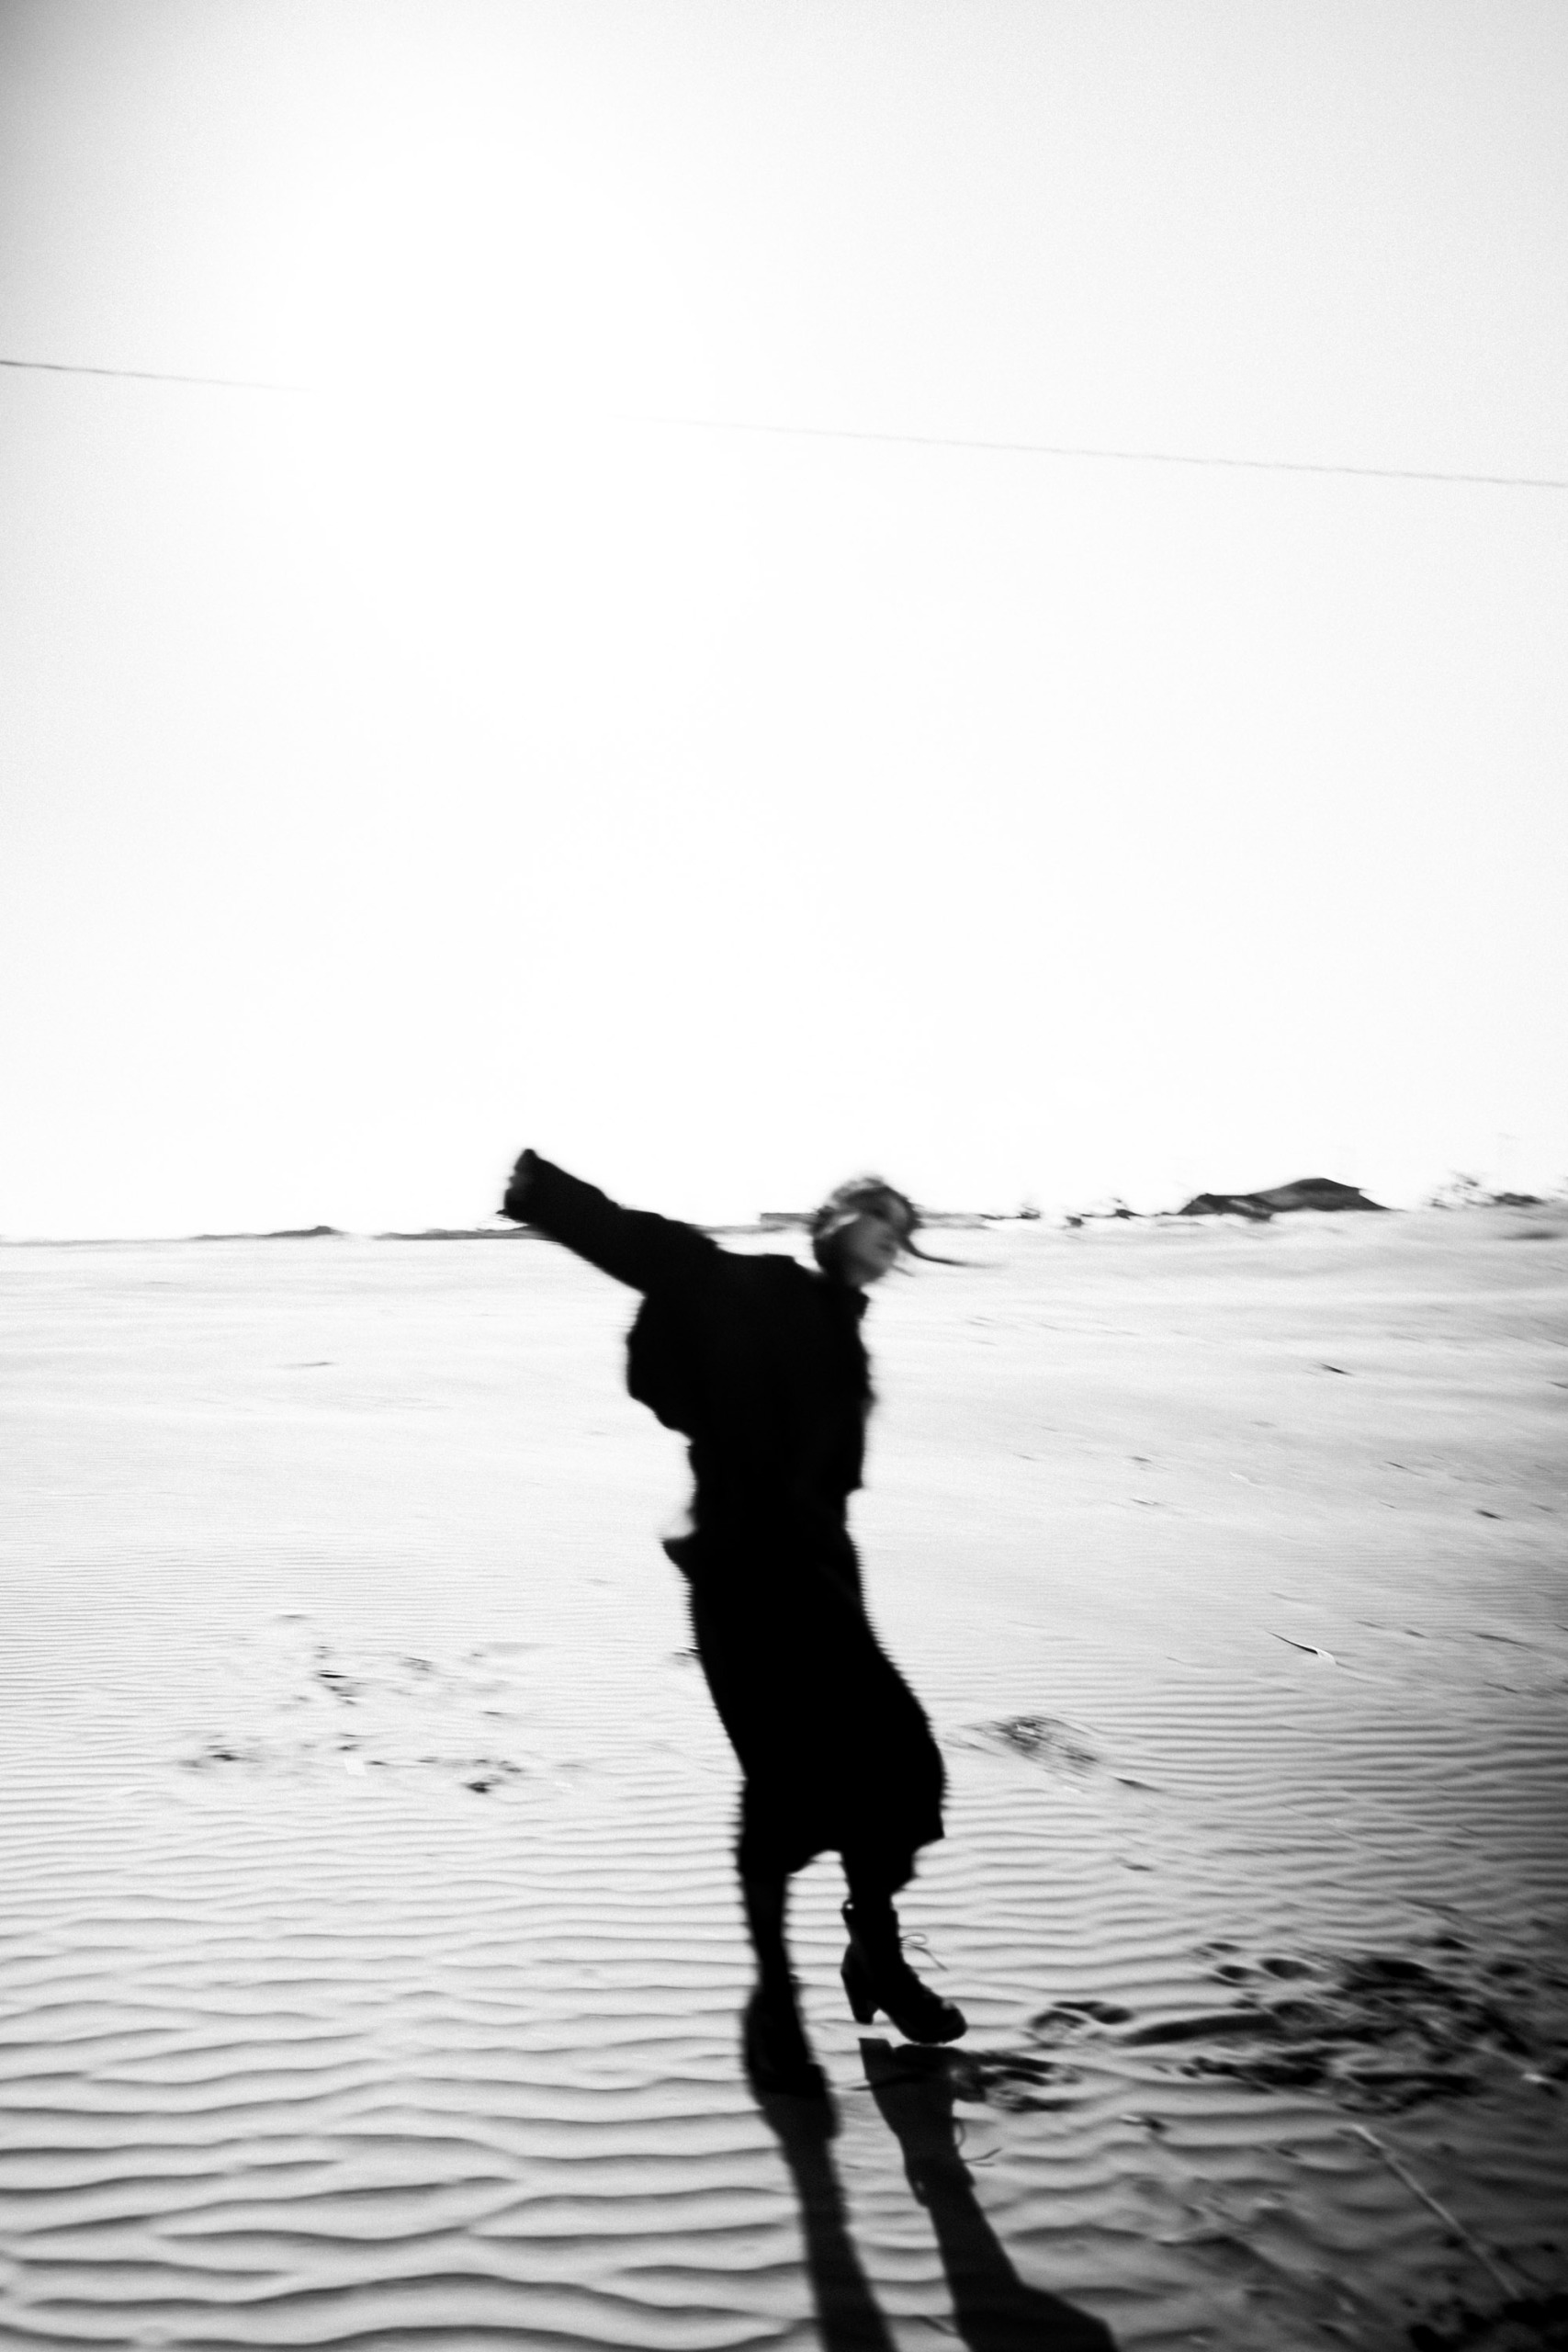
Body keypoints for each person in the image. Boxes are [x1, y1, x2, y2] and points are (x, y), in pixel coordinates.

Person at [501, 1147, 966, 2098]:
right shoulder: (759, 1288)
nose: (892, 1244)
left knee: (892, 1759)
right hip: (742, 1575)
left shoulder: (848, 1333)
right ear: (833, 1222)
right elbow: (656, 1252)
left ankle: (876, 1954)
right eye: (879, 1222)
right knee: (782, 1784)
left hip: (823, 1580)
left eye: (902, 1235)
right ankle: (775, 2001)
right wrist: (547, 1195)